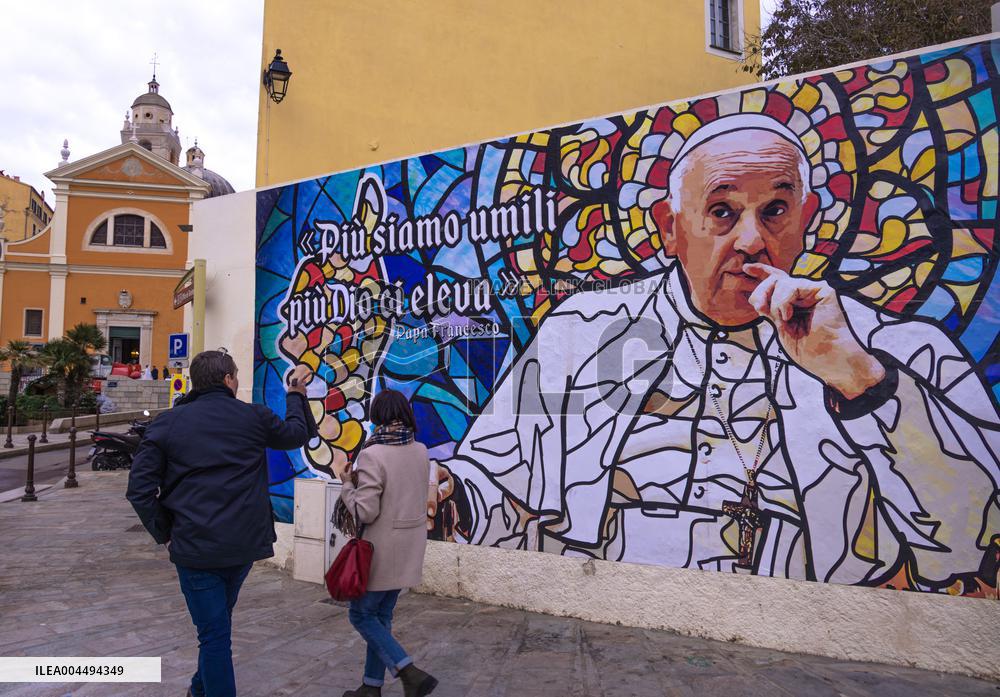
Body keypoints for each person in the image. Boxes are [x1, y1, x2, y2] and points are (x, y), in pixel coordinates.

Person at [432, 114, 1000, 592]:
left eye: (775, 210)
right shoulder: (597, 335)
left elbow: (972, 541)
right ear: (671, 228)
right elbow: (505, 481)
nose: (752, 240)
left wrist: (858, 381)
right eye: (723, 211)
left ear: (808, 219)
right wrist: (448, 495)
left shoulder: (891, 351)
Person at [126, 350, 315, 697]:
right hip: (242, 547)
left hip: (195, 548)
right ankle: (199, 690)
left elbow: (138, 491)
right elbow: (295, 435)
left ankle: (202, 689)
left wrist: (165, 533)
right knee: (216, 630)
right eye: (237, 376)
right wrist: (295, 396)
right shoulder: (253, 417)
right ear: (228, 379)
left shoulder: (166, 423)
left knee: (214, 634)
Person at [335, 389, 438, 697]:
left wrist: (345, 485)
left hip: (380, 550)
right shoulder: (420, 450)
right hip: (409, 546)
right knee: (381, 617)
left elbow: (366, 509)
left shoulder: (372, 454)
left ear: (377, 417)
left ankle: (408, 670)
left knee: (361, 615)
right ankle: (371, 687)